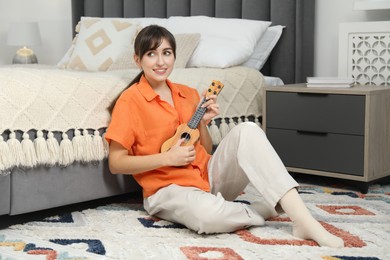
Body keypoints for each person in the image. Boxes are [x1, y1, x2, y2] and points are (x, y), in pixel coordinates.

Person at [105, 25, 344, 248]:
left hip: (207, 178)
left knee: (248, 129)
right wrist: (167, 159)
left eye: (167, 53)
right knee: (207, 218)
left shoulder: (187, 94)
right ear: (138, 59)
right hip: (166, 190)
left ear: (175, 56)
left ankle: (303, 220)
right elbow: (116, 164)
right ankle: (263, 209)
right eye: (151, 54)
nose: (160, 61)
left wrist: (204, 124)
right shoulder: (130, 100)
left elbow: (206, 150)